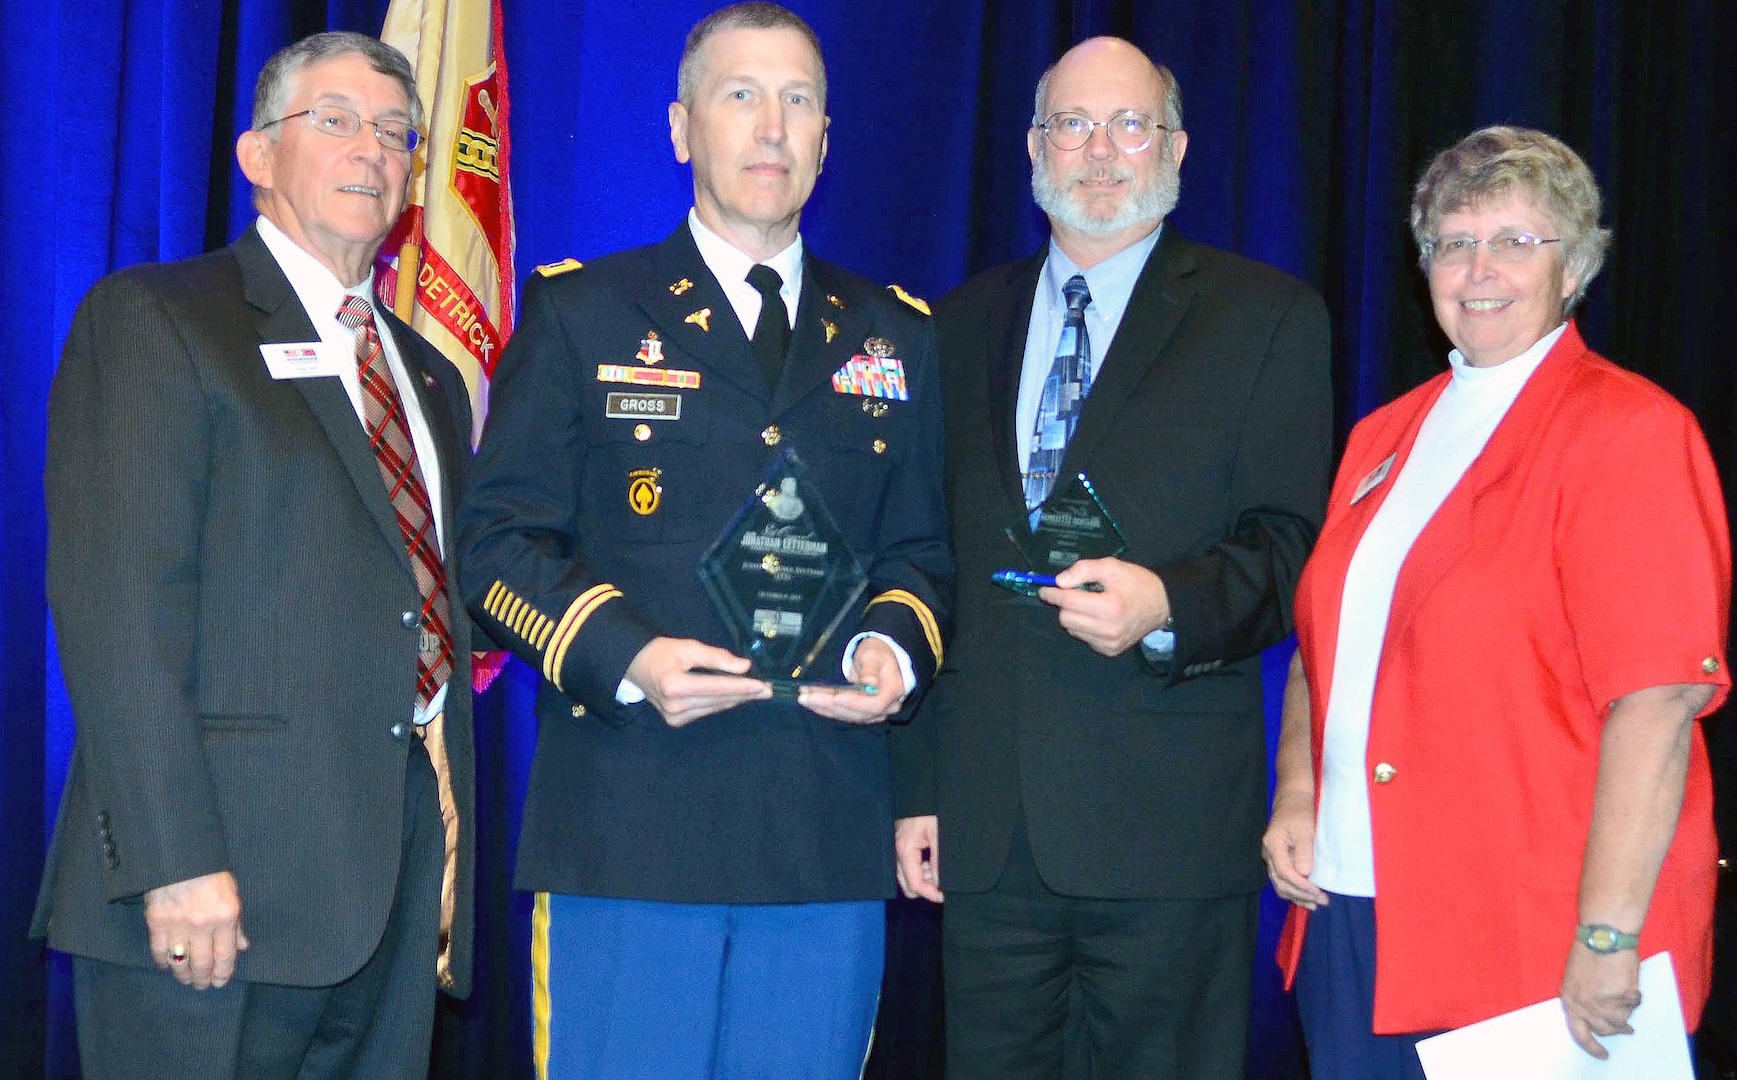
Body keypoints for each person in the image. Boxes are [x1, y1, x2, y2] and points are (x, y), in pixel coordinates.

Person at [455, 4, 951, 1076]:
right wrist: (624, 655)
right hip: (633, 825)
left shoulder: (899, 334)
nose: (771, 127)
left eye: (799, 101)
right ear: (682, 129)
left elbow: (922, 554)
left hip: (823, 837)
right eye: (741, 96)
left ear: (827, 137)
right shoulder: (585, 313)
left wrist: (893, 650)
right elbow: (493, 547)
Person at [32, 31, 477, 1080]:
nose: (371, 149)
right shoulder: (158, 320)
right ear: (255, 154)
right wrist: (174, 860)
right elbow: (117, 609)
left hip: (395, 888)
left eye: (395, 132)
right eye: (333, 120)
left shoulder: (429, 377)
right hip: (212, 891)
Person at [889, 36, 1332, 1079]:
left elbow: (1291, 552)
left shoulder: (1266, 319)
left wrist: (1166, 604)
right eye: (1072, 125)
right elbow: (917, 563)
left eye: (1128, 124)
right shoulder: (950, 329)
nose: (1099, 151)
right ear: (1034, 147)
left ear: (1173, 146)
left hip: (1165, 838)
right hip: (986, 837)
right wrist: (915, 784)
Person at [1262, 126, 1729, 1078]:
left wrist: (1606, 937)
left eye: (1516, 240)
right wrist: (1299, 790)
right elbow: (1328, 640)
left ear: (1575, 265)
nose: (1479, 268)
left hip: (1530, 939)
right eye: (1452, 241)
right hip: (1349, 915)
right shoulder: (1381, 436)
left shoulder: (1628, 431)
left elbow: (1655, 703)